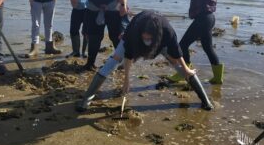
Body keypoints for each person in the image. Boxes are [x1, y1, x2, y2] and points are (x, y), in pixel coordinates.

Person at [75, 10, 213, 112]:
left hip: (160, 44)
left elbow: (177, 53)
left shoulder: (167, 32)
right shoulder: (134, 32)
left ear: (156, 35)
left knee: (181, 68)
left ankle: (206, 101)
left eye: (149, 38)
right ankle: (85, 101)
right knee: (113, 61)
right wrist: (126, 80)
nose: (146, 39)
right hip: (130, 37)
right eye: (144, 37)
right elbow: (128, 55)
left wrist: (186, 69)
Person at [168, 0, 223, 84]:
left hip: (204, 18)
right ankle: (217, 78)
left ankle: (184, 72)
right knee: (208, 47)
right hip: (207, 17)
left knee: (182, 45)